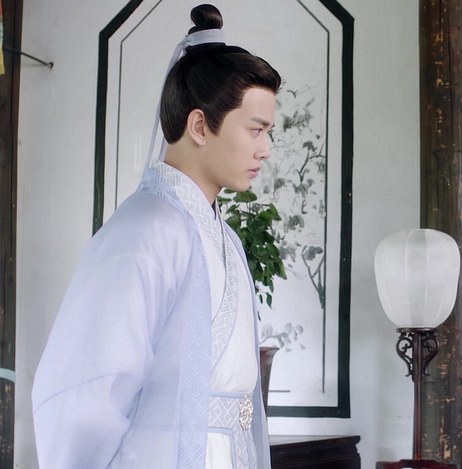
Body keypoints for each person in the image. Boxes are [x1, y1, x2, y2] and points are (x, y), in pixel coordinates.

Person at [32, 4, 280, 468]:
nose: (265, 149)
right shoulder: (147, 231)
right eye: (255, 130)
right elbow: (82, 397)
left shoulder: (223, 237)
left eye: (268, 132)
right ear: (200, 125)